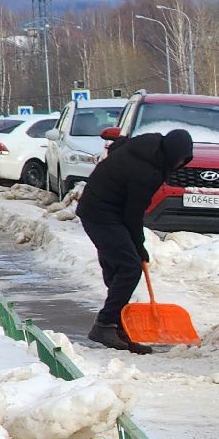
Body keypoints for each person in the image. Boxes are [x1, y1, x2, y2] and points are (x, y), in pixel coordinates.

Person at [76, 128, 193, 355]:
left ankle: (119, 327)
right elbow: (133, 214)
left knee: (116, 268)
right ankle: (105, 325)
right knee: (129, 268)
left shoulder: (146, 147)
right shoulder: (147, 171)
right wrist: (139, 247)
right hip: (101, 214)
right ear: (170, 154)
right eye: (179, 159)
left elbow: (117, 148)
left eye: (184, 160)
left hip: (101, 209)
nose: (180, 164)